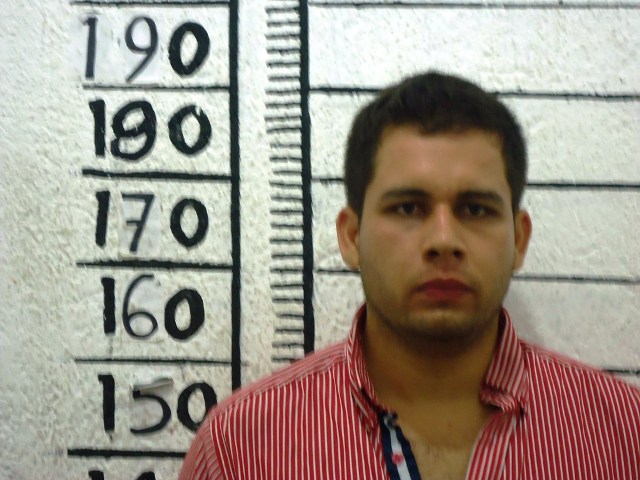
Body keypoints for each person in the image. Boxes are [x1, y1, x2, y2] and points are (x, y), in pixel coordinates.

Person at [179, 72, 640, 479]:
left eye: (475, 209)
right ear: (352, 236)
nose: (443, 239)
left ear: (518, 240)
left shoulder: (625, 435)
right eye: (407, 208)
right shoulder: (241, 449)